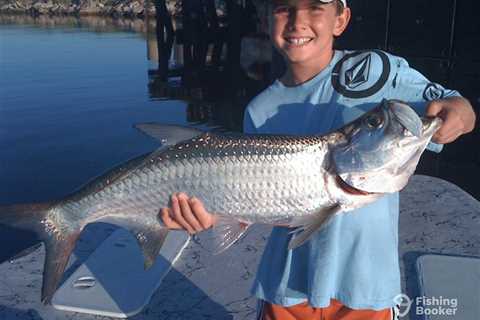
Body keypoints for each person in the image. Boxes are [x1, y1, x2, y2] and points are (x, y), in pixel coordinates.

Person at [160, 1, 477, 319]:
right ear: (267, 17)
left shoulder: (375, 72)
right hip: (286, 288)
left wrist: (459, 113)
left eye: (315, 7)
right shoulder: (259, 110)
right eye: (285, 8)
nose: (298, 21)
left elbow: (457, 107)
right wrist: (207, 214)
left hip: (367, 289)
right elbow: (249, 198)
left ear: (341, 19)